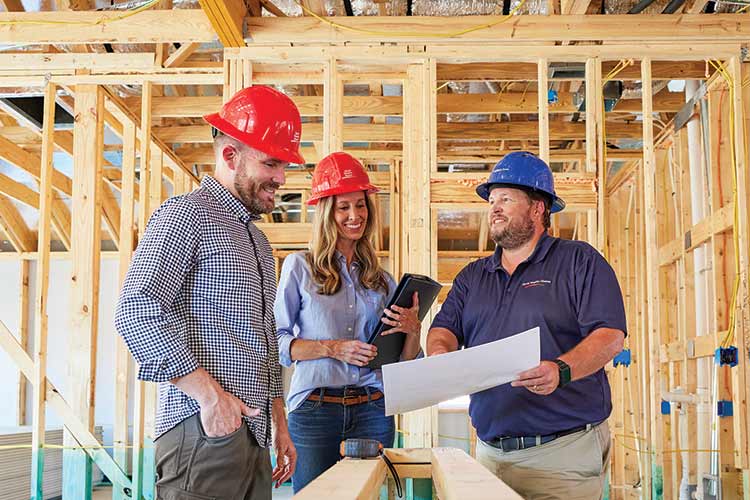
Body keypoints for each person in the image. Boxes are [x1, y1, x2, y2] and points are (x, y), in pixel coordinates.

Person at [114, 86, 302, 500]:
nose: (281, 178)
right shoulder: (186, 215)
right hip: (202, 430)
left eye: (284, 165)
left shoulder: (257, 239)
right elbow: (136, 310)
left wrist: (279, 421)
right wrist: (210, 397)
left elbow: (265, 337)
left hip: (253, 433)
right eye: (271, 163)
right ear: (230, 156)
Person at [426, 151, 626, 499]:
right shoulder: (473, 277)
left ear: (538, 208)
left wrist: (560, 371)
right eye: (492, 200)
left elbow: (610, 336)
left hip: (562, 455)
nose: (495, 208)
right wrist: (441, 355)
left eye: (506, 198)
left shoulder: (579, 261)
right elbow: (444, 329)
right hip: (489, 454)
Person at [274, 151, 422, 493]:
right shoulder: (300, 268)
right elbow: (278, 343)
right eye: (344, 207)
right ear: (327, 212)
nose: (355, 215)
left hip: (373, 408)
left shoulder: (382, 280)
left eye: (361, 205)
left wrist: (412, 330)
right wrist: (333, 348)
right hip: (313, 410)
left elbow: (406, 362)